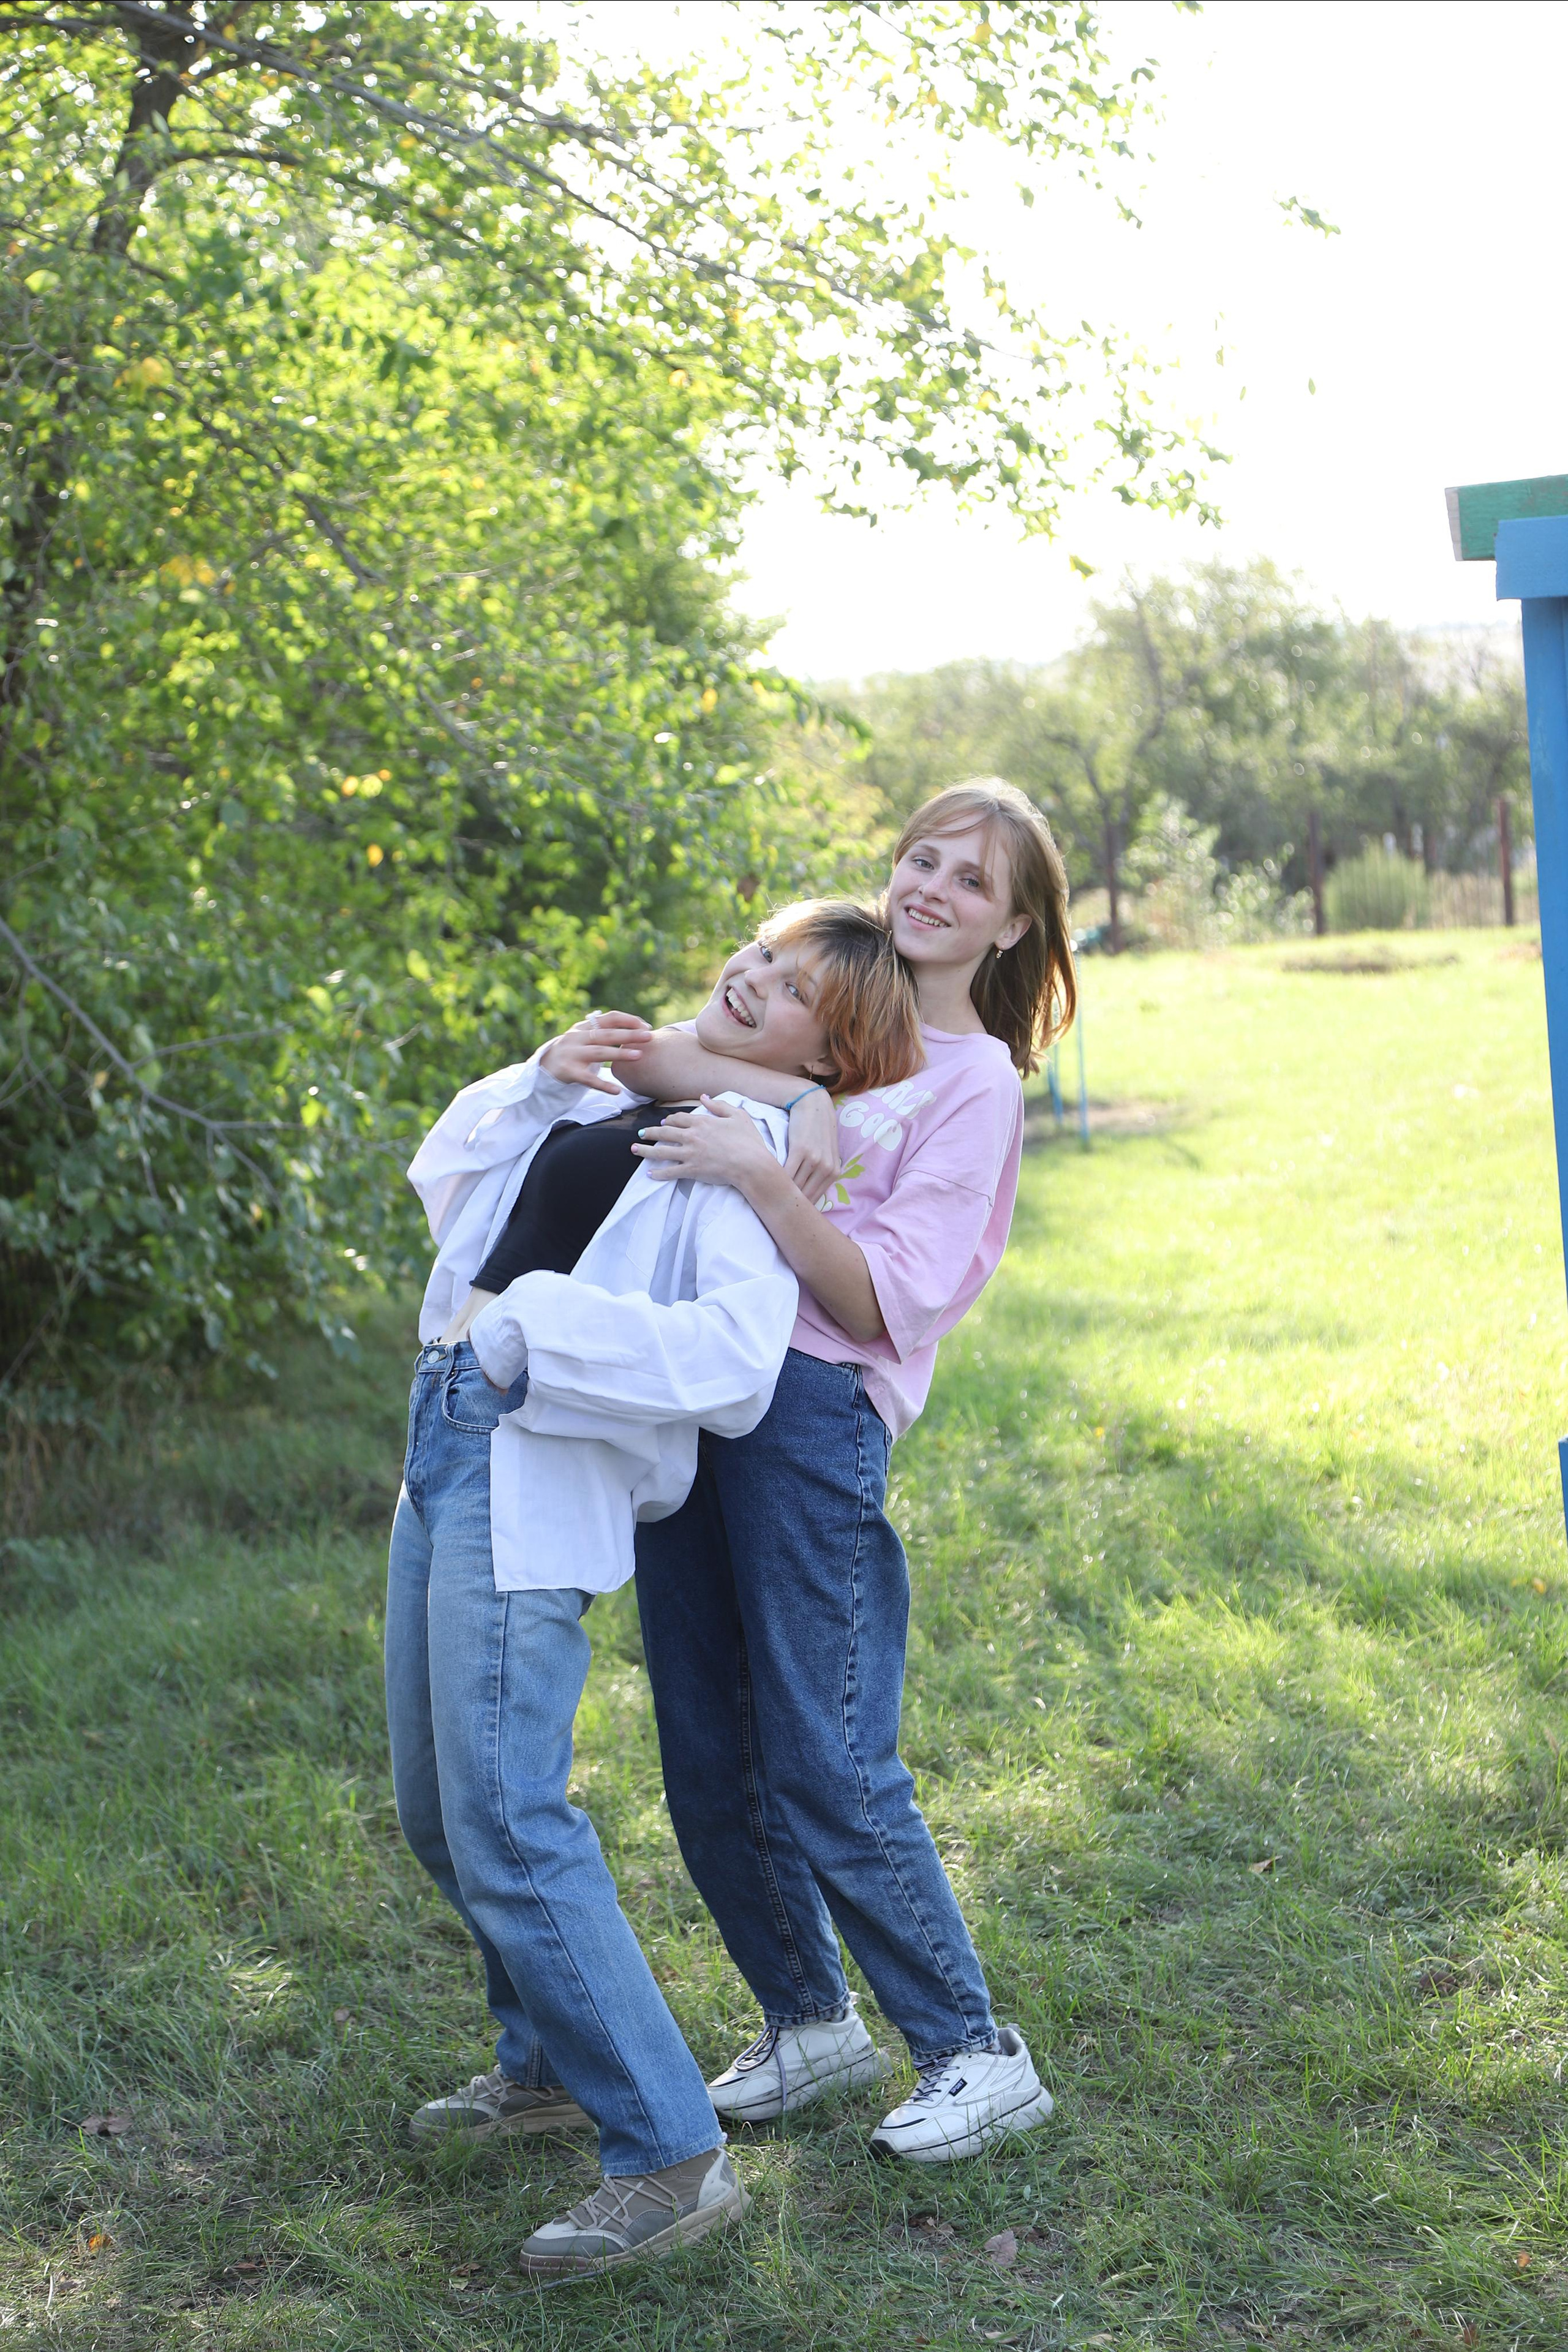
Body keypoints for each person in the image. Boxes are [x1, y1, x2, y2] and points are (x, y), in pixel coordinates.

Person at [387, 899, 921, 2280]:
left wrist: (525, 1335)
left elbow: (734, 1363)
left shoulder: (742, 1152)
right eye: (761, 954)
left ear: (830, 1049)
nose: (754, 975)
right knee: (437, 1808)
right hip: (443, 1427)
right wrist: (540, 1075)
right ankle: (542, 2066)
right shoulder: (634, 1082)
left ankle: (670, 2156)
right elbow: (450, 1183)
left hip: (525, 1443)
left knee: (509, 1818)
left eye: (794, 988)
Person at [623, 780, 1076, 2162]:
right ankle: (808, 2018)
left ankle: (970, 2049)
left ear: (1011, 928)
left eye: (972, 880)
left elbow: (883, 1301)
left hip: (813, 1408)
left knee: (823, 1745)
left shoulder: (975, 1084)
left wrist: (764, 1172)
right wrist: (786, 1094)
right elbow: (664, 1054)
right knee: (707, 1740)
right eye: (921, 858)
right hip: (702, 1379)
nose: (932, 887)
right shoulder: (840, 1008)